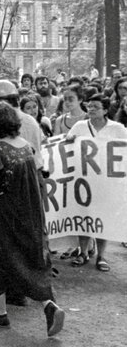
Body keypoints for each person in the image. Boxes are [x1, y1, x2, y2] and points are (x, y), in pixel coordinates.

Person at [0, 103, 65, 337]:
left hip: (5, 213)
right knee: (31, 259)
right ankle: (48, 304)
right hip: (31, 213)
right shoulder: (25, 146)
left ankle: (0, 313)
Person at [67, 94, 127, 272]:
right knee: (83, 215)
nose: (91, 109)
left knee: (103, 217)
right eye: (90, 106)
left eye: (96, 107)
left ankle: (101, 255)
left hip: (106, 182)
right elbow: (67, 147)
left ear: (106, 110)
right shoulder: (79, 126)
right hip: (83, 180)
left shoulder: (117, 128)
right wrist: (69, 141)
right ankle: (83, 252)